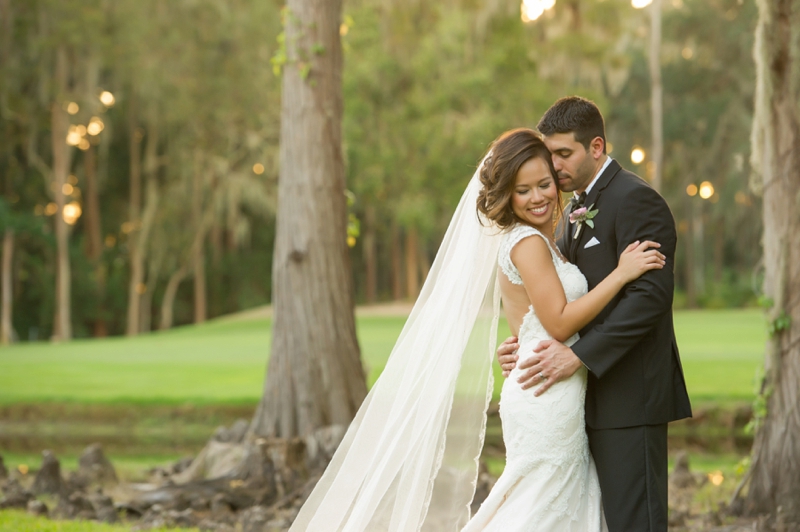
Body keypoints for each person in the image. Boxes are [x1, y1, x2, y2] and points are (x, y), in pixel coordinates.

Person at [496, 96, 692, 532]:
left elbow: (650, 298)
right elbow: (553, 299)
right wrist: (523, 343)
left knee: (633, 524)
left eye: (564, 154)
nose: (555, 167)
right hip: (575, 403)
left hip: (628, 398)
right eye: (551, 156)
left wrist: (580, 356)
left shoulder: (637, 200)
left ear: (597, 147)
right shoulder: (566, 214)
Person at [461, 128, 663, 531]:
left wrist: (518, 344)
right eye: (523, 190)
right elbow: (556, 321)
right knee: (541, 509)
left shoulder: (545, 238)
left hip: (550, 382)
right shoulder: (527, 242)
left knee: (555, 504)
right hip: (546, 393)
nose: (537, 197)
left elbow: (528, 318)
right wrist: (621, 274)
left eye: (543, 184)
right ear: (506, 195)